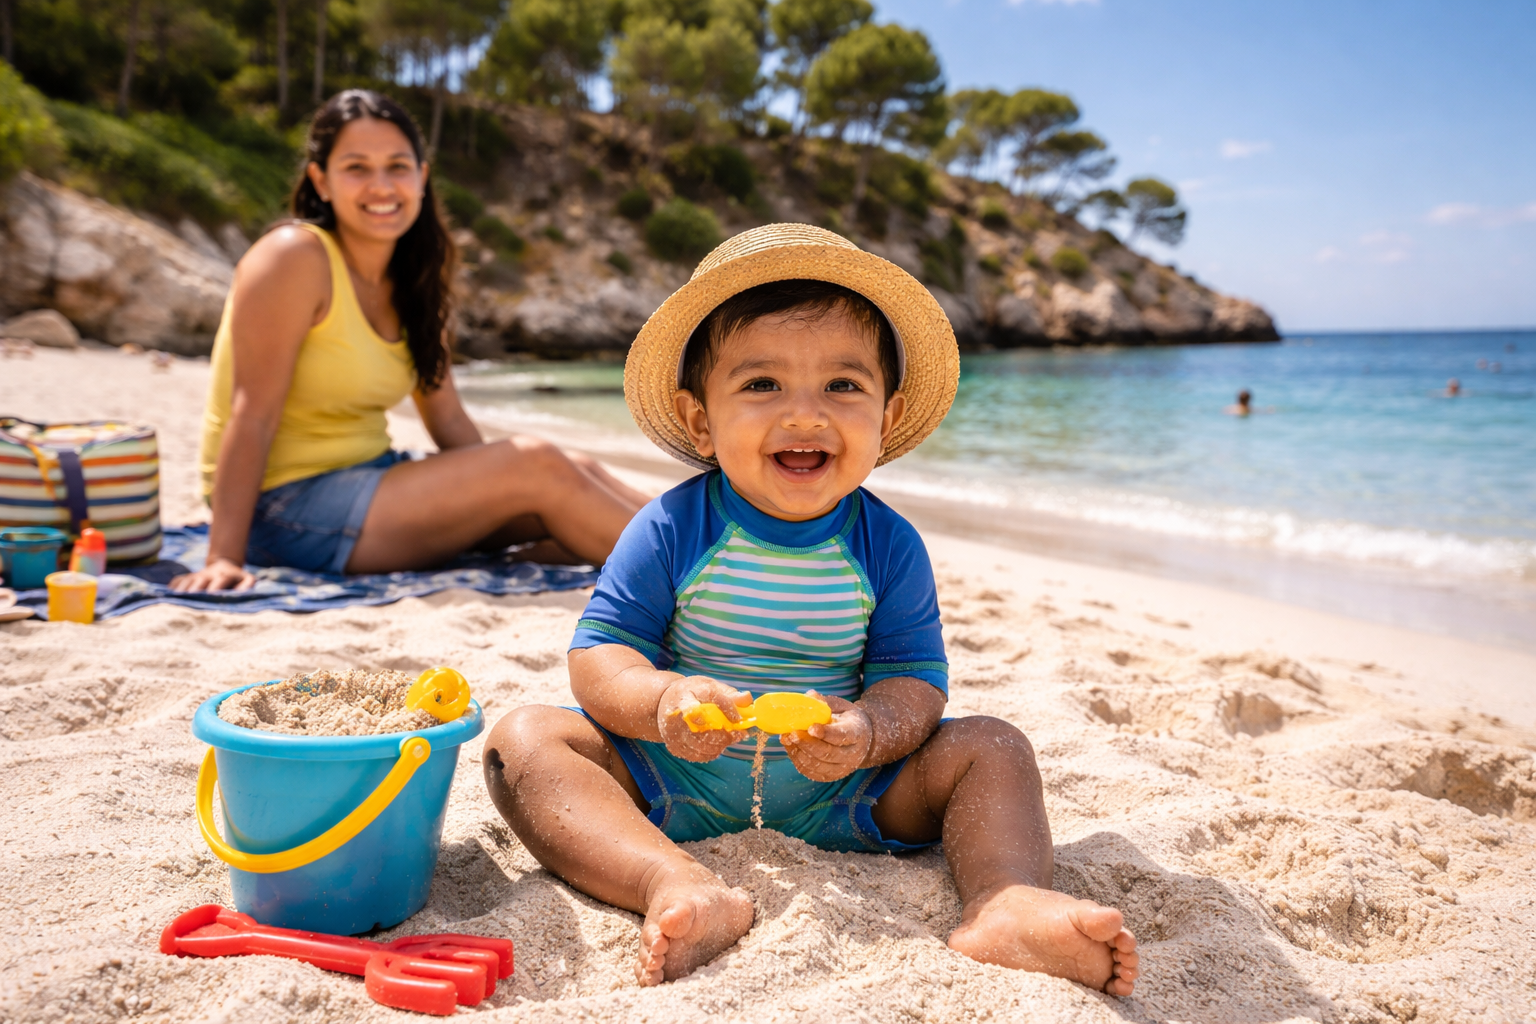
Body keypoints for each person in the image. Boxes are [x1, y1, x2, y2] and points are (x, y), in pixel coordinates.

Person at [481, 225, 1139, 995]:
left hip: (845, 794)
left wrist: (868, 731)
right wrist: (661, 700)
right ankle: (672, 881)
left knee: (993, 745)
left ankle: (1005, 900)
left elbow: (914, 684)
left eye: (843, 386)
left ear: (886, 419)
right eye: (761, 385)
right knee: (525, 740)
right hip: (667, 782)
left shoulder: (887, 545)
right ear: (701, 421)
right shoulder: (669, 527)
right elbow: (601, 656)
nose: (804, 414)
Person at [173, 90, 647, 593]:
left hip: (372, 479)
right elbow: (252, 412)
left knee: (571, 467)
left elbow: (446, 418)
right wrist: (223, 554)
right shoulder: (293, 258)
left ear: (421, 177)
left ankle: (715, 551)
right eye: (357, 167)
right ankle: (694, 584)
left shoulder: (415, 283)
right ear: (321, 181)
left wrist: (504, 483)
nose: (381, 185)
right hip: (282, 509)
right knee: (539, 466)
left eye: (398, 166)